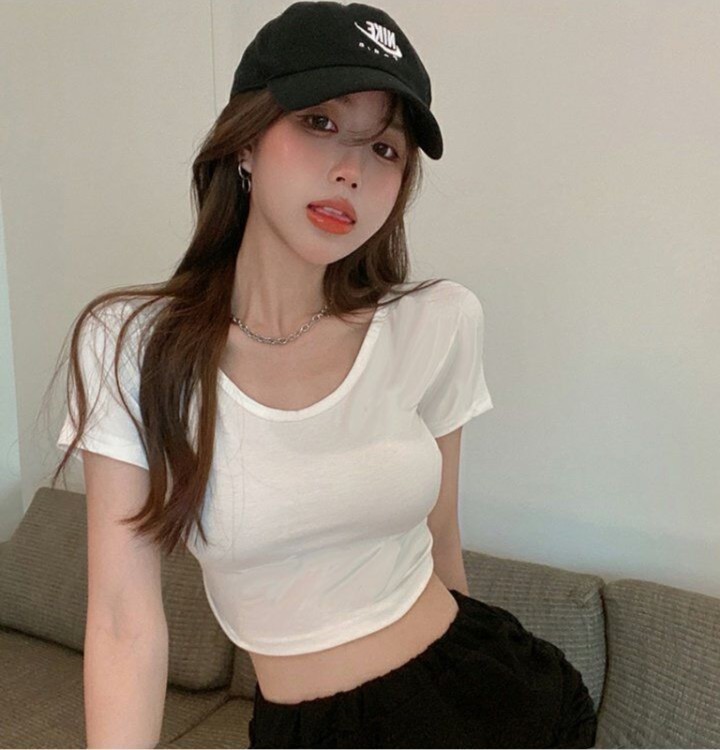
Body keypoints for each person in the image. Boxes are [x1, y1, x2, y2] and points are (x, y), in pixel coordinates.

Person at [51, 1, 597, 747]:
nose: (351, 171)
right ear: (245, 142)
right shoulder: (132, 347)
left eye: (385, 149)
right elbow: (122, 621)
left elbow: (441, 536)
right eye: (320, 122)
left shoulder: (438, 321)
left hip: (494, 698)